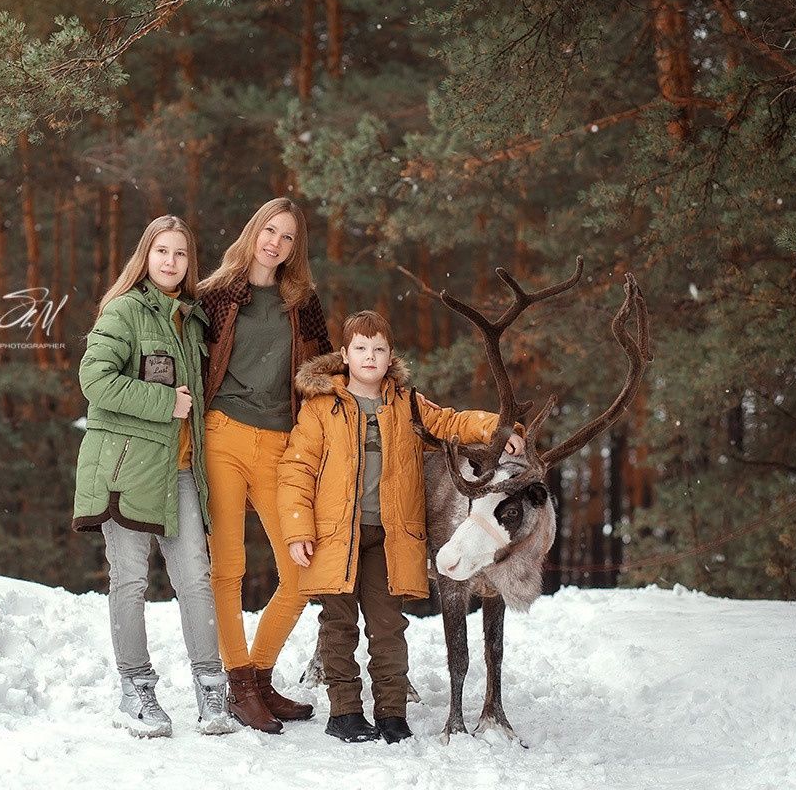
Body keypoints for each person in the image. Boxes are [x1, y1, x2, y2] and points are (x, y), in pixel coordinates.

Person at [278, 310, 524, 743]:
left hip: (391, 538)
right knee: (339, 626)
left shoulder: (406, 403)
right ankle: (345, 713)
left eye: (378, 349)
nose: (369, 356)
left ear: (390, 355)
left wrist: (497, 428)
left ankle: (391, 714)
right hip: (336, 535)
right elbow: (297, 470)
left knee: (388, 627)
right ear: (345, 354)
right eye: (360, 349)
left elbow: (451, 422)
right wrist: (299, 529)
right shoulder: (321, 408)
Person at [71, 215, 237, 738]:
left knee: (195, 580)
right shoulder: (123, 311)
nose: (170, 261)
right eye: (161, 251)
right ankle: (136, 689)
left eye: (181, 254)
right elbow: (94, 380)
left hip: (183, 470)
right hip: (126, 470)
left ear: (191, 263)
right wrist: (165, 402)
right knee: (131, 580)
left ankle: (212, 689)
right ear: (146, 256)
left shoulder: (191, 319)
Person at [197, 197, 332, 733]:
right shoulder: (214, 295)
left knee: (302, 571)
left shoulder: (303, 302)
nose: (275, 242)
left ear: (296, 249)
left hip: (281, 443)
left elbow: (325, 370)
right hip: (222, 436)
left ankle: (258, 674)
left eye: (288, 237)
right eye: (269, 231)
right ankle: (238, 686)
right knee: (227, 569)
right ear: (253, 231)